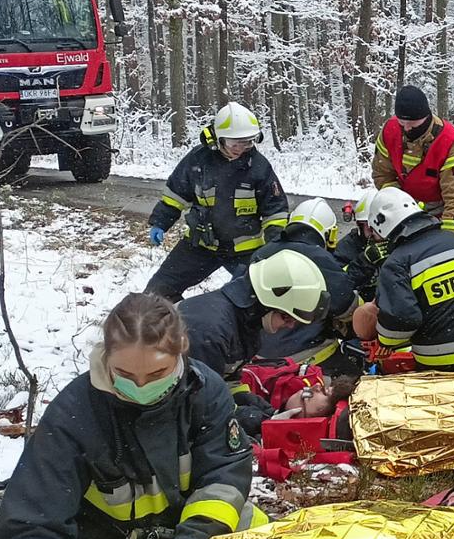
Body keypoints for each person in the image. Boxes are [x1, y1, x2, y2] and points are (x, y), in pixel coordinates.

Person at [0, 293, 265, 539]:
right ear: (106, 358)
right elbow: (31, 522)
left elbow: (223, 480)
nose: (140, 389)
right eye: (124, 375)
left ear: (181, 351)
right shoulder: (75, 415)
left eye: (156, 374)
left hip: (188, 529)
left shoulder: (205, 392)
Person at [144, 102, 289, 301]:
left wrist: (274, 245)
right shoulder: (197, 160)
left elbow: (276, 211)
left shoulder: (259, 167)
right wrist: (160, 222)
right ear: (217, 139)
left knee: (261, 300)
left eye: (247, 142)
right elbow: (175, 195)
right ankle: (182, 326)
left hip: (245, 251)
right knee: (156, 294)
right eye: (234, 143)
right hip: (201, 245)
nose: (241, 149)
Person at [365, 186, 454, 371]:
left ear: (381, 225)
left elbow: (401, 322)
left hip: (437, 361)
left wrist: (383, 339)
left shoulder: (396, 262)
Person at [178, 249, 331, 380]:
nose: (290, 326)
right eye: (286, 317)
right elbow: (199, 402)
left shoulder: (243, 323)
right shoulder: (211, 332)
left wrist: (252, 403)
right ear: (265, 304)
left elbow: (227, 382)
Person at [252, 198, 357, 368]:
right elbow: (348, 308)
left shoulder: (261, 253)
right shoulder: (319, 259)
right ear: (330, 234)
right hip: (306, 356)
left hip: (258, 354)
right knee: (353, 379)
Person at [372, 85, 454, 231]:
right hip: (407, 207)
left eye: (412, 124)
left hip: (444, 207)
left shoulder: (451, 143)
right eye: (402, 123)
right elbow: (383, 174)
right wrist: (400, 205)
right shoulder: (390, 130)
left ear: (426, 117)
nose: (407, 129)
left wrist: (449, 236)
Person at [335, 188, 386, 303]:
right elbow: (337, 284)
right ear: (359, 225)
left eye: (379, 224)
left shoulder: (396, 242)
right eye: (369, 225)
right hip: (359, 308)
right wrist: (364, 262)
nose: (374, 231)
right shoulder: (347, 247)